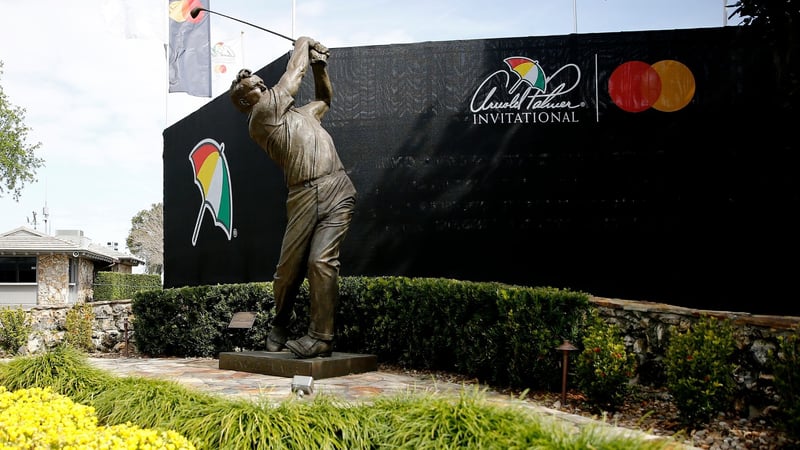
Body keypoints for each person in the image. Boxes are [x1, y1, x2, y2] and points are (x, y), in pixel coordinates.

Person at [229, 37, 357, 358]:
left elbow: (324, 98)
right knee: (288, 273)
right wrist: (303, 43)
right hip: (304, 196)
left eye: (261, 82)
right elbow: (292, 75)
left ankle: (320, 338)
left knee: (321, 262)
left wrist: (320, 67)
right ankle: (281, 321)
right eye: (256, 85)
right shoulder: (261, 117)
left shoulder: (302, 115)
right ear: (247, 101)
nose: (264, 85)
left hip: (338, 189)